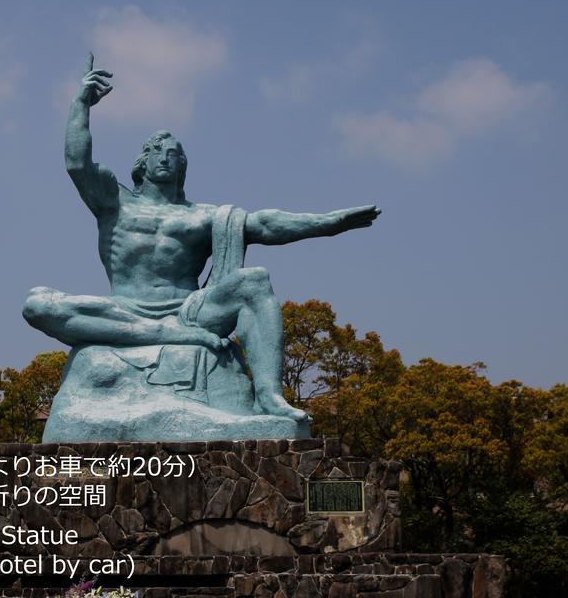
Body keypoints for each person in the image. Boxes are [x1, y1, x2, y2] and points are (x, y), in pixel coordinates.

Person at [23, 55, 379, 421]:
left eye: (173, 153)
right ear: (141, 162)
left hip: (189, 313)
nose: (164, 156)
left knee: (255, 282)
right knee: (38, 304)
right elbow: (76, 163)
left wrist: (328, 222)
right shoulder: (114, 202)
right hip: (125, 310)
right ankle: (161, 334)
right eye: (155, 150)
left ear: (183, 166)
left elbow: (265, 225)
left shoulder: (203, 216)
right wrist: (80, 104)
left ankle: (269, 396)